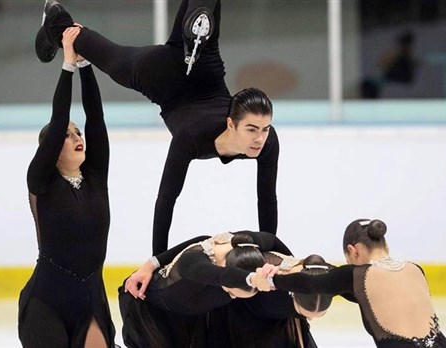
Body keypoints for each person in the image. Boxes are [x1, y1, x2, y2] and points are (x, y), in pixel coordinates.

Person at [35, 0, 280, 256]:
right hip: (163, 75)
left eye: (265, 129)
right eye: (252, 130)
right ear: (231, 123)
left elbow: (267, 198)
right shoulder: (190, 139)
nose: (260, 138)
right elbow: (166, 201)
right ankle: (57, 25)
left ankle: (55, 21)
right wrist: (158, 263)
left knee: (83, 41)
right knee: (96, 50)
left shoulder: (266, 139)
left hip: (192, 55)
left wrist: (271, 251)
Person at [18, 26, 117, 348]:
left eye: (78, 133)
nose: (77, 137)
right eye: (67, 134)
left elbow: (96, 119)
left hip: (92, 301)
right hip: (47, 304)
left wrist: (85, 65)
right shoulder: (41, 182)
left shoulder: (95, 178)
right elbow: (58, 118)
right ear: (49, 150)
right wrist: (67, 65)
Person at [253, 219, 446, 348]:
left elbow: (311, 283)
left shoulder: (358, 274)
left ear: (353, 251)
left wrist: (271, 280)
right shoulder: (415, 269)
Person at [119, 231, 291, 347]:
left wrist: (289, 264)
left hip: (192, 313)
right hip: (150, 311)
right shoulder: (195, 267)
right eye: (230, 292)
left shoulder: (244, 249)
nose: (232, 296)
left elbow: (272, 240)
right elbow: (218, 273)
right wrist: (151, 264)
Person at [207, 253, 335, 348]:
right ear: (293, 295)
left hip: (273, 320)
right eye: (303, 313)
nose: (310, 320)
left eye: (321, 314)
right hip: (241, 318)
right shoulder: (273, 284)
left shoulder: (309, 290)